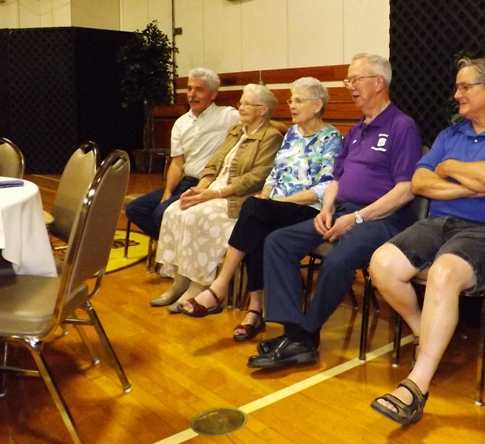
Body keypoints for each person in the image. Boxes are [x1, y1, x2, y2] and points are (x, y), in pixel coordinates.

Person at [368, 57, 485, 426]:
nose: (457, 94)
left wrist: (448, 168)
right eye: (457, 86)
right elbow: (419, 182)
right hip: (441, 223)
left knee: (444, 272)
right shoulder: (450, 135)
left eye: (465, 87)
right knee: (382, 263)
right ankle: (427, 335)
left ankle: (416, 386)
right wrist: (467, 187)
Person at [247, 53, 423, 369]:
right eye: (348, 80)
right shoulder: (356, 131)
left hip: (385, 218)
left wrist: (357, 218)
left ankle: (304, 336)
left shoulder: (402, 126)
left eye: (356, 80)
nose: (349, 86)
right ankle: (294, 333)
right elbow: (336, 179)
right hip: (344, 211)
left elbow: (406, 189)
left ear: (378, 82)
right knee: (278, 242)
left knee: (339, 258)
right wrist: (326, 209)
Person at [178, 78, 342, 341]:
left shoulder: (331, 137)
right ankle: (254, 310)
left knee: (254, 210)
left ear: (317, 105)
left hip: (308, 208)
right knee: (256, 220)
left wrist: (276, 203)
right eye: (291, 100)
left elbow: (325, 187)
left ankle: (221, 289)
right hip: (276, 207)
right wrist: (267, 196)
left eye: (299, 100)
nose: (292, 105)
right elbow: (274, 174)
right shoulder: (292, 134)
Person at [150, 84, 283, 312]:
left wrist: (213, 194)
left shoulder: (271, 137)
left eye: (247, 104)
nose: (240, 107)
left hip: (238, 197)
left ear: (263, 110)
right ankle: (179, 282)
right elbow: (214, 162)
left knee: (198, 217)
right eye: (241, 103)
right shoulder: (235, 131)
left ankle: (198, 285)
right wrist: (200, 189)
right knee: (175, 210)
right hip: (213, 189)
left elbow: (255, 178)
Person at [126, 67, 240, 241]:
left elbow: (261, 124)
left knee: (162, 212)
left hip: (208, 183)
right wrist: (168, 192)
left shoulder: (228, 116)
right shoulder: (181, 123)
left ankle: (178, 246)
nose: (192, 94)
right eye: (189, 88)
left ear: (213, 94)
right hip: (185, 182)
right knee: (135, 209)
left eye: (199, 90)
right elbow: (177, 164)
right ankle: (176, 245)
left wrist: (283, 129)